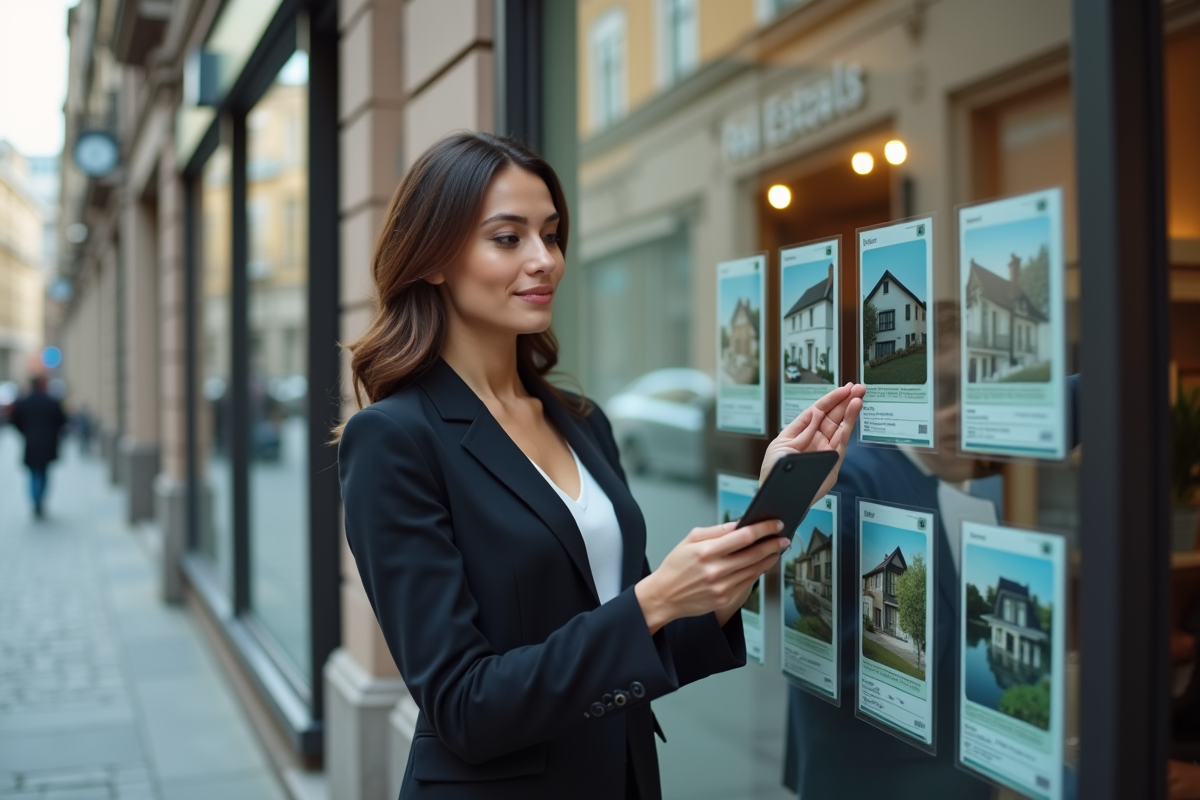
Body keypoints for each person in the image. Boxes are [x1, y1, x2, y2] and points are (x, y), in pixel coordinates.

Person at [335, 131, 865, 800]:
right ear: (435, 258)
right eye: (508, 238)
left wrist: (778, 502)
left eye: (552, 235)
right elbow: (464, 706)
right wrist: (654, 599)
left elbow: (647, 640)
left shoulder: (581, 421)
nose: (545, 260)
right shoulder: (393, 440)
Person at [785, 302, 1081, 799]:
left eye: (981, 389)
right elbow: (842, 657)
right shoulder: (852, 479)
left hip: (951, 765)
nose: (964, 411)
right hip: (884, 775)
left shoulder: (963, 466)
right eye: (943, 390)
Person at [8, 374, 68, 519]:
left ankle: (36, 501)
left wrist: (25, 432)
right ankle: (39, 501)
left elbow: (14, 421)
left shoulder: (24, 402)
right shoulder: (51, 402)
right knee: (43, 473)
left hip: (31, 443)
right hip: (47, 444)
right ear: (42, 385)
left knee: (34, 474)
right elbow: (62, 420)